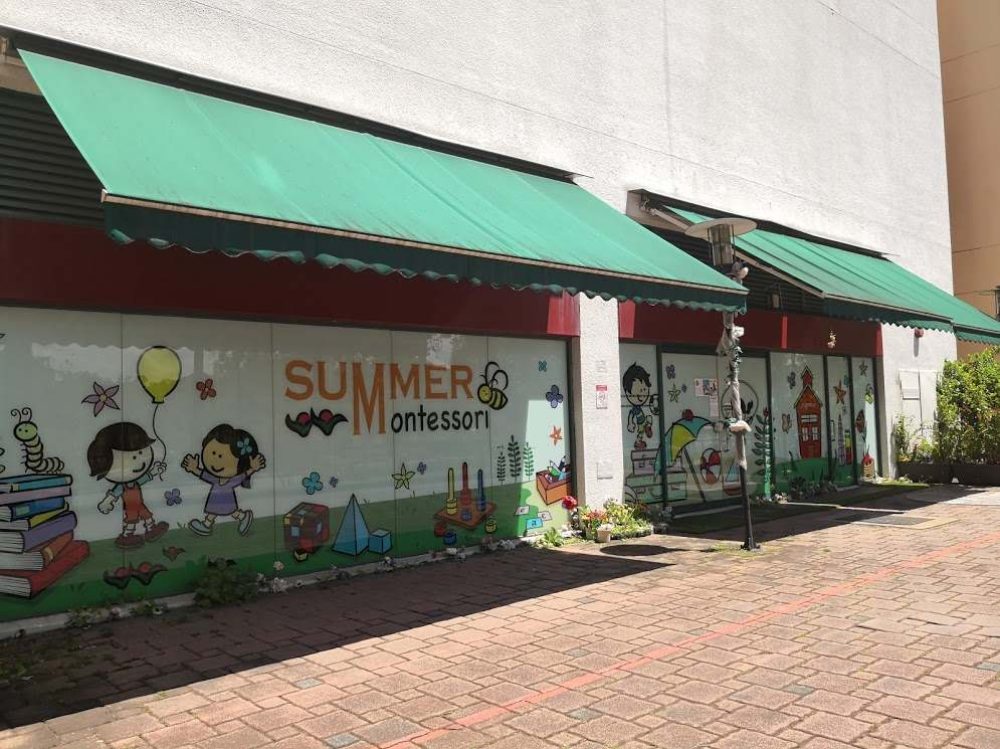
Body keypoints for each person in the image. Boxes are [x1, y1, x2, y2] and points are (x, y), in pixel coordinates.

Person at [87, 422, 168, 549]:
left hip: (139, 503)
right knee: (131, 519)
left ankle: (151, 529)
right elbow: (114, 493)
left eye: (140, 454)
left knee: (146, 514)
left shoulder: (134, 481)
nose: (139, 463)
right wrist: (107, 502)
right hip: (130, 506)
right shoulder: (123, 485)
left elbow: (145, 478)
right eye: (133, 457)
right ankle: (127, 535)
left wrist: (154, 471)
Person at [183, 424, 265, 536]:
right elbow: (203, 474)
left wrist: (253, 468)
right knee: (216, 512)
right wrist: (194, 469)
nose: (216, 460)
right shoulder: (215, 479)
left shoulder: (231, 481)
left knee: (230, 511)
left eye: (221, 456)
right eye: (213, 453)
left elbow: (243, 475)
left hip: (226, 500)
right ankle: (208, 525)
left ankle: (241, 517)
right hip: (216, 500)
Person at [622, 362, 656, 441]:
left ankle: (647, 426)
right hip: (640, 423)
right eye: (639, 391)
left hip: (643, 421)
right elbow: (631, 414)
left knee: (649, 418)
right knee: (640, 432)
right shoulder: (635, 408)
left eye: (644, 389)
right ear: (627, 393)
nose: (642, 394)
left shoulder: (640, 406)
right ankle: (639, 441)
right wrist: (630, 423)